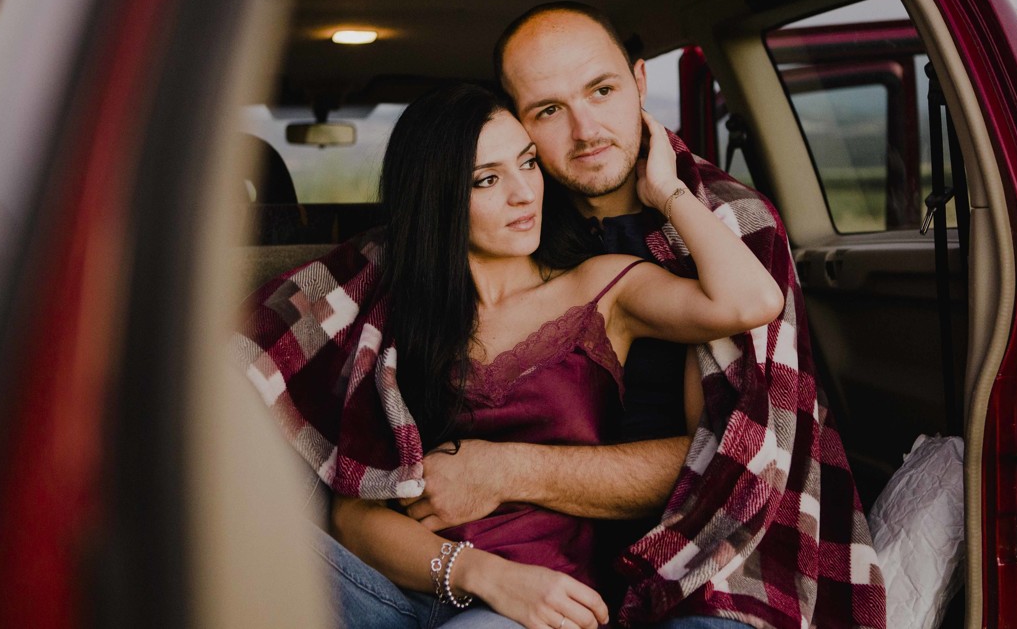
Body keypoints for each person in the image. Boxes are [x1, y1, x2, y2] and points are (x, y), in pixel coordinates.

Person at [397, 3, 887, 629]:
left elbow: (735, 456)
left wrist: (503, 469)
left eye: (602, 91)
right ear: (514, 123)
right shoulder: (504, 224)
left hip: (713, 552)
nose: (586, 130)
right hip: (510, 555)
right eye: (548, 111)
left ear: (639, 81)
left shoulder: (725, 226)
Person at [238, 82, 782, 629]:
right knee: (222, 527)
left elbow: (752, 301)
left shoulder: (602, 287)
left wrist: (668, 191)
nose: (524, 193)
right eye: (488, 179)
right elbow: (354, 517)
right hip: (405, 586)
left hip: (535, 599)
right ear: (437, 197)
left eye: (528, 163)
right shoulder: (397, 319)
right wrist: (478, 573)